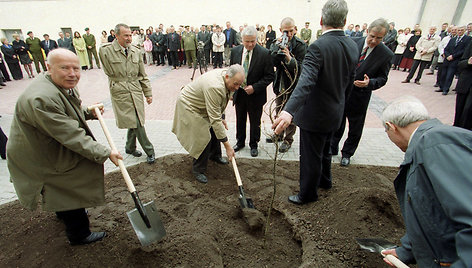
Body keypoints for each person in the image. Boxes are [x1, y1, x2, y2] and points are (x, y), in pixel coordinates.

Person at [6, 48, 123, 245]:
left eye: (76, 68)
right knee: (68, 185)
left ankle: (63, 211)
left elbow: (65, 112)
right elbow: (71, 135)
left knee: (60, 186)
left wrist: (87, 112)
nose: (72, 73)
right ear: (48, 67)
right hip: (37, 154)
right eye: (65, 68)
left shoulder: (58, 85)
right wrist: (105, 153)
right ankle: (79, 234)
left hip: (46, 146)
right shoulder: (41, 98)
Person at [273, 0, 358, 204]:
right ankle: (325, 181)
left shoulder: (318, 47)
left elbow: (306, 82)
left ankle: (307, 194)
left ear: (321, 20)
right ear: (345, 21)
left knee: (311, 156)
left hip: (315, 115)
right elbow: (349, 82)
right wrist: (341, 104)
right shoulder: (352, 45)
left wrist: (288, 110)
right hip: (336, 111)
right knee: (326, 150)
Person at [380, 96, 472, 268]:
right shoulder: (429, 145)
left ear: (391, 127)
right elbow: (430, 209)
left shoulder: (436, 144)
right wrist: (406, 250)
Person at [331, 18, 393, 167]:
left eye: (379, 38)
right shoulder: (352, 42)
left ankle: (347, 153)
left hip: (360, 96)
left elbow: (383, 78)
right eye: (372, 36)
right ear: (367, 32)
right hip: (342, 92)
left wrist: (369, 83)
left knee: (355, 126)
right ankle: (332, 147)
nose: (373, 40)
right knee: (337, 122)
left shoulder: (386, 54)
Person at [172, 65, 244, 183]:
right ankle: (198, 169)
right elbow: (215, 119)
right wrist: (228, 147)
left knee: (215, 129)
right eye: (235, 84)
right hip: (189, 105)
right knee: (203, 136)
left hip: (203, 105)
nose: (237, 87)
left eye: (240, 84)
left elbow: (221, 101)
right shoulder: (214, 86)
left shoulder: (228, 79)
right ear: (227, 77)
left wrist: (223, 117)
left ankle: (214, 155)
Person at [100, 23, 156, 164]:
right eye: (126, 35)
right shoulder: (106, 51)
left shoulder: (136, 51)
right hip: (120, 90)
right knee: (136, 121)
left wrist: (147, 93)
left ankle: (129, 148)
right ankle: (150, 150)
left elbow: (142, 75)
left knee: (134, 120)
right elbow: (108, 71)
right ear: (116, 35)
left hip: (135, 89)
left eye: (130, 35)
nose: (129, 38)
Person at [231, 26, 274, 157]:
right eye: (247, 41)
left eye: (253, 41)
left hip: (256, 95)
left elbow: (270, 76)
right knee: (240, 118)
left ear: (257, 39)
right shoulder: (235, 51)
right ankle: (240, 142)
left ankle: (254, 144)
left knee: (255, 121)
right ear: (242, 39)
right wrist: (232, 91)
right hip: (240, 94)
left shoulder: (265, 53)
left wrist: (255, 87)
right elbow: (231, 71)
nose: (250, 44)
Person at [267, 17, 306, 153]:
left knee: (291, 113)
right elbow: (272, 62)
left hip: (293, 84)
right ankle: (278, 134)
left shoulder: (300, 45)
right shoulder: (275, 42)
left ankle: (288, 140)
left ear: (295, 29)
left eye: (291, 31)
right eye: (285, 31)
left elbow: (301, 68)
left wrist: (290, 58)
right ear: (280, 30)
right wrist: (275, 48)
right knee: (279, 109)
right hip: (280, 83)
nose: (288, 35)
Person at [439, 25, 472, 95]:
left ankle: (446, 89)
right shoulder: (453, 39)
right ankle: (441, 87)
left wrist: (453, 56)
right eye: (459, 30)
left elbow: (464, 50)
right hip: (447, 59)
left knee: (449, 75)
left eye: (461, 30)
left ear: (464, 31)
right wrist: (447, 55)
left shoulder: (467, 39)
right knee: (443, 74)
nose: (460, 32)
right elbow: (446, 48)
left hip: (455, 60)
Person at [453, 42, 472, 130]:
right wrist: (468, 62)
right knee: (459, 110)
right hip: (465, 83)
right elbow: (460, 64)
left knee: (468, 111)